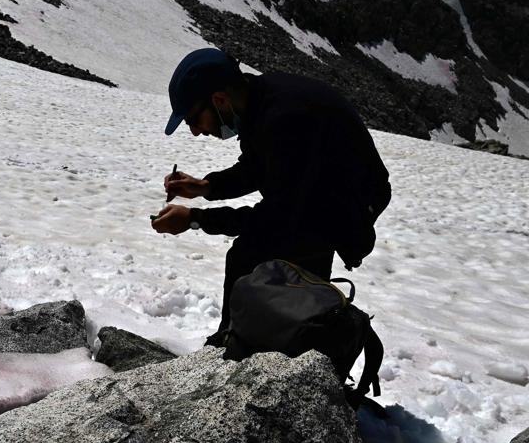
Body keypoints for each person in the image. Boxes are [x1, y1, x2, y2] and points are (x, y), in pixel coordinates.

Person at [151, 48, 390, 346]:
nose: (196, 132)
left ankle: (239, 344)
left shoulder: (284, 118)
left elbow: (274, 216)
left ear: (219, 100)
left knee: (252, 255)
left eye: (193, 120)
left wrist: (196, 218)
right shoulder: (260, 100)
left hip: (345, 207)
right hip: (325, 195)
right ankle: (272, 342)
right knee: (272, 261)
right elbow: (258, 167)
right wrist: (206, 187)